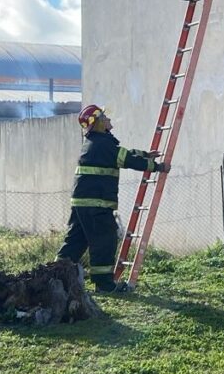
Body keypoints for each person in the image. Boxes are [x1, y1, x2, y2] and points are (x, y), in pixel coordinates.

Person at [57, 104, 167, 293]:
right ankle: (104, 285)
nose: (108, 119)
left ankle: (54, 277)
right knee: (104, 240)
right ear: (98, 123)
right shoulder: (102, 144)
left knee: (76, 241)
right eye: (104, 117)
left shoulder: (96, 143)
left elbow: (121, 154)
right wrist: (156, 166)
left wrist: (145, 155)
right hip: (96, 205)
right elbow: (126, 160)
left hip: (83, 204)